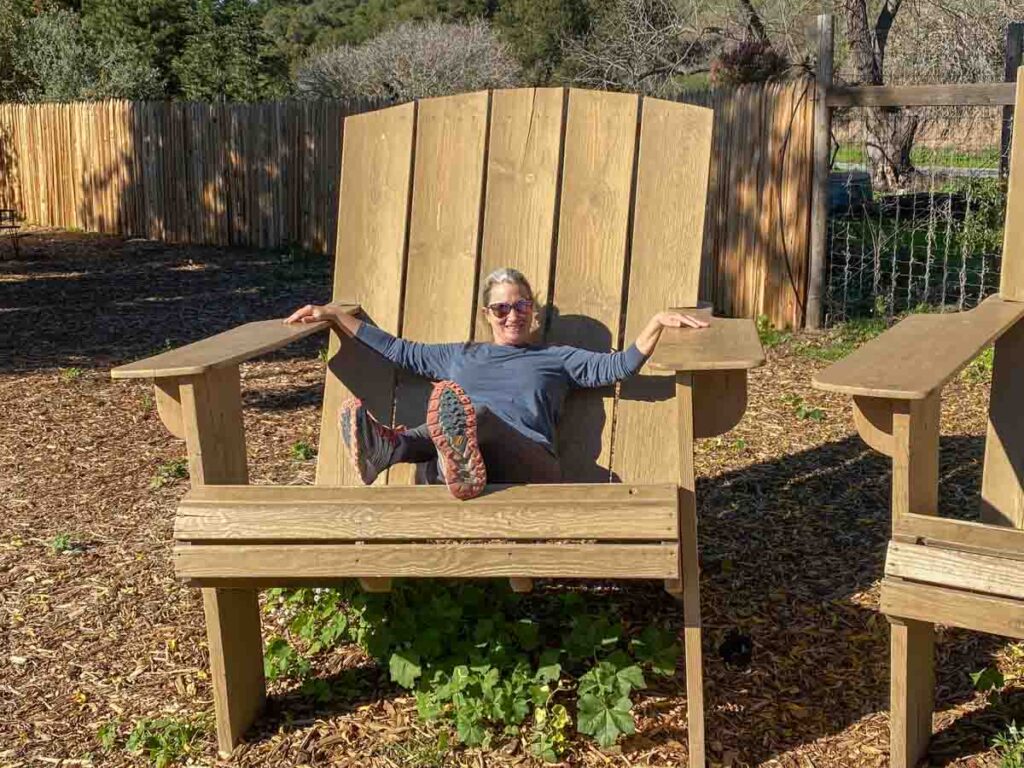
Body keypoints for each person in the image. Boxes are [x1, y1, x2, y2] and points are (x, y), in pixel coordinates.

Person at [285, 267, 707, 500]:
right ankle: (398, 448)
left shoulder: (555, 358)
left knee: (472, 415)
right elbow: (399, 350)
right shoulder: (459, 355)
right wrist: (338, 317)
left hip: (533, 466)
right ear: (487, 314)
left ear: (533, 311)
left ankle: (430, 452)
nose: (512, 314)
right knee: (458, 418)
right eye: (501, 307)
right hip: (463, 459)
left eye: (521, 305)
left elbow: (617, 367)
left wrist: (655, 325)